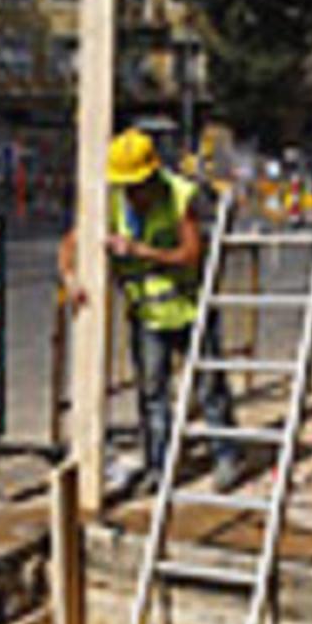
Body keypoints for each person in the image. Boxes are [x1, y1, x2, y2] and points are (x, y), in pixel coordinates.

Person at [58, 128, 241, 495]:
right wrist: (70, 279)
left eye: (138, 184)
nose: (133, 193)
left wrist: (141, 252)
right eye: (126, 185)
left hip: (191, 309)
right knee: (152, 393)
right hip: (147, 317)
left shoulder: (179, 196)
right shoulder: (110, 201)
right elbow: (70, 244)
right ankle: (159, 465)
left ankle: (226, 455)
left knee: (209, 387)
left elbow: (191, 255)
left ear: (153, 176)